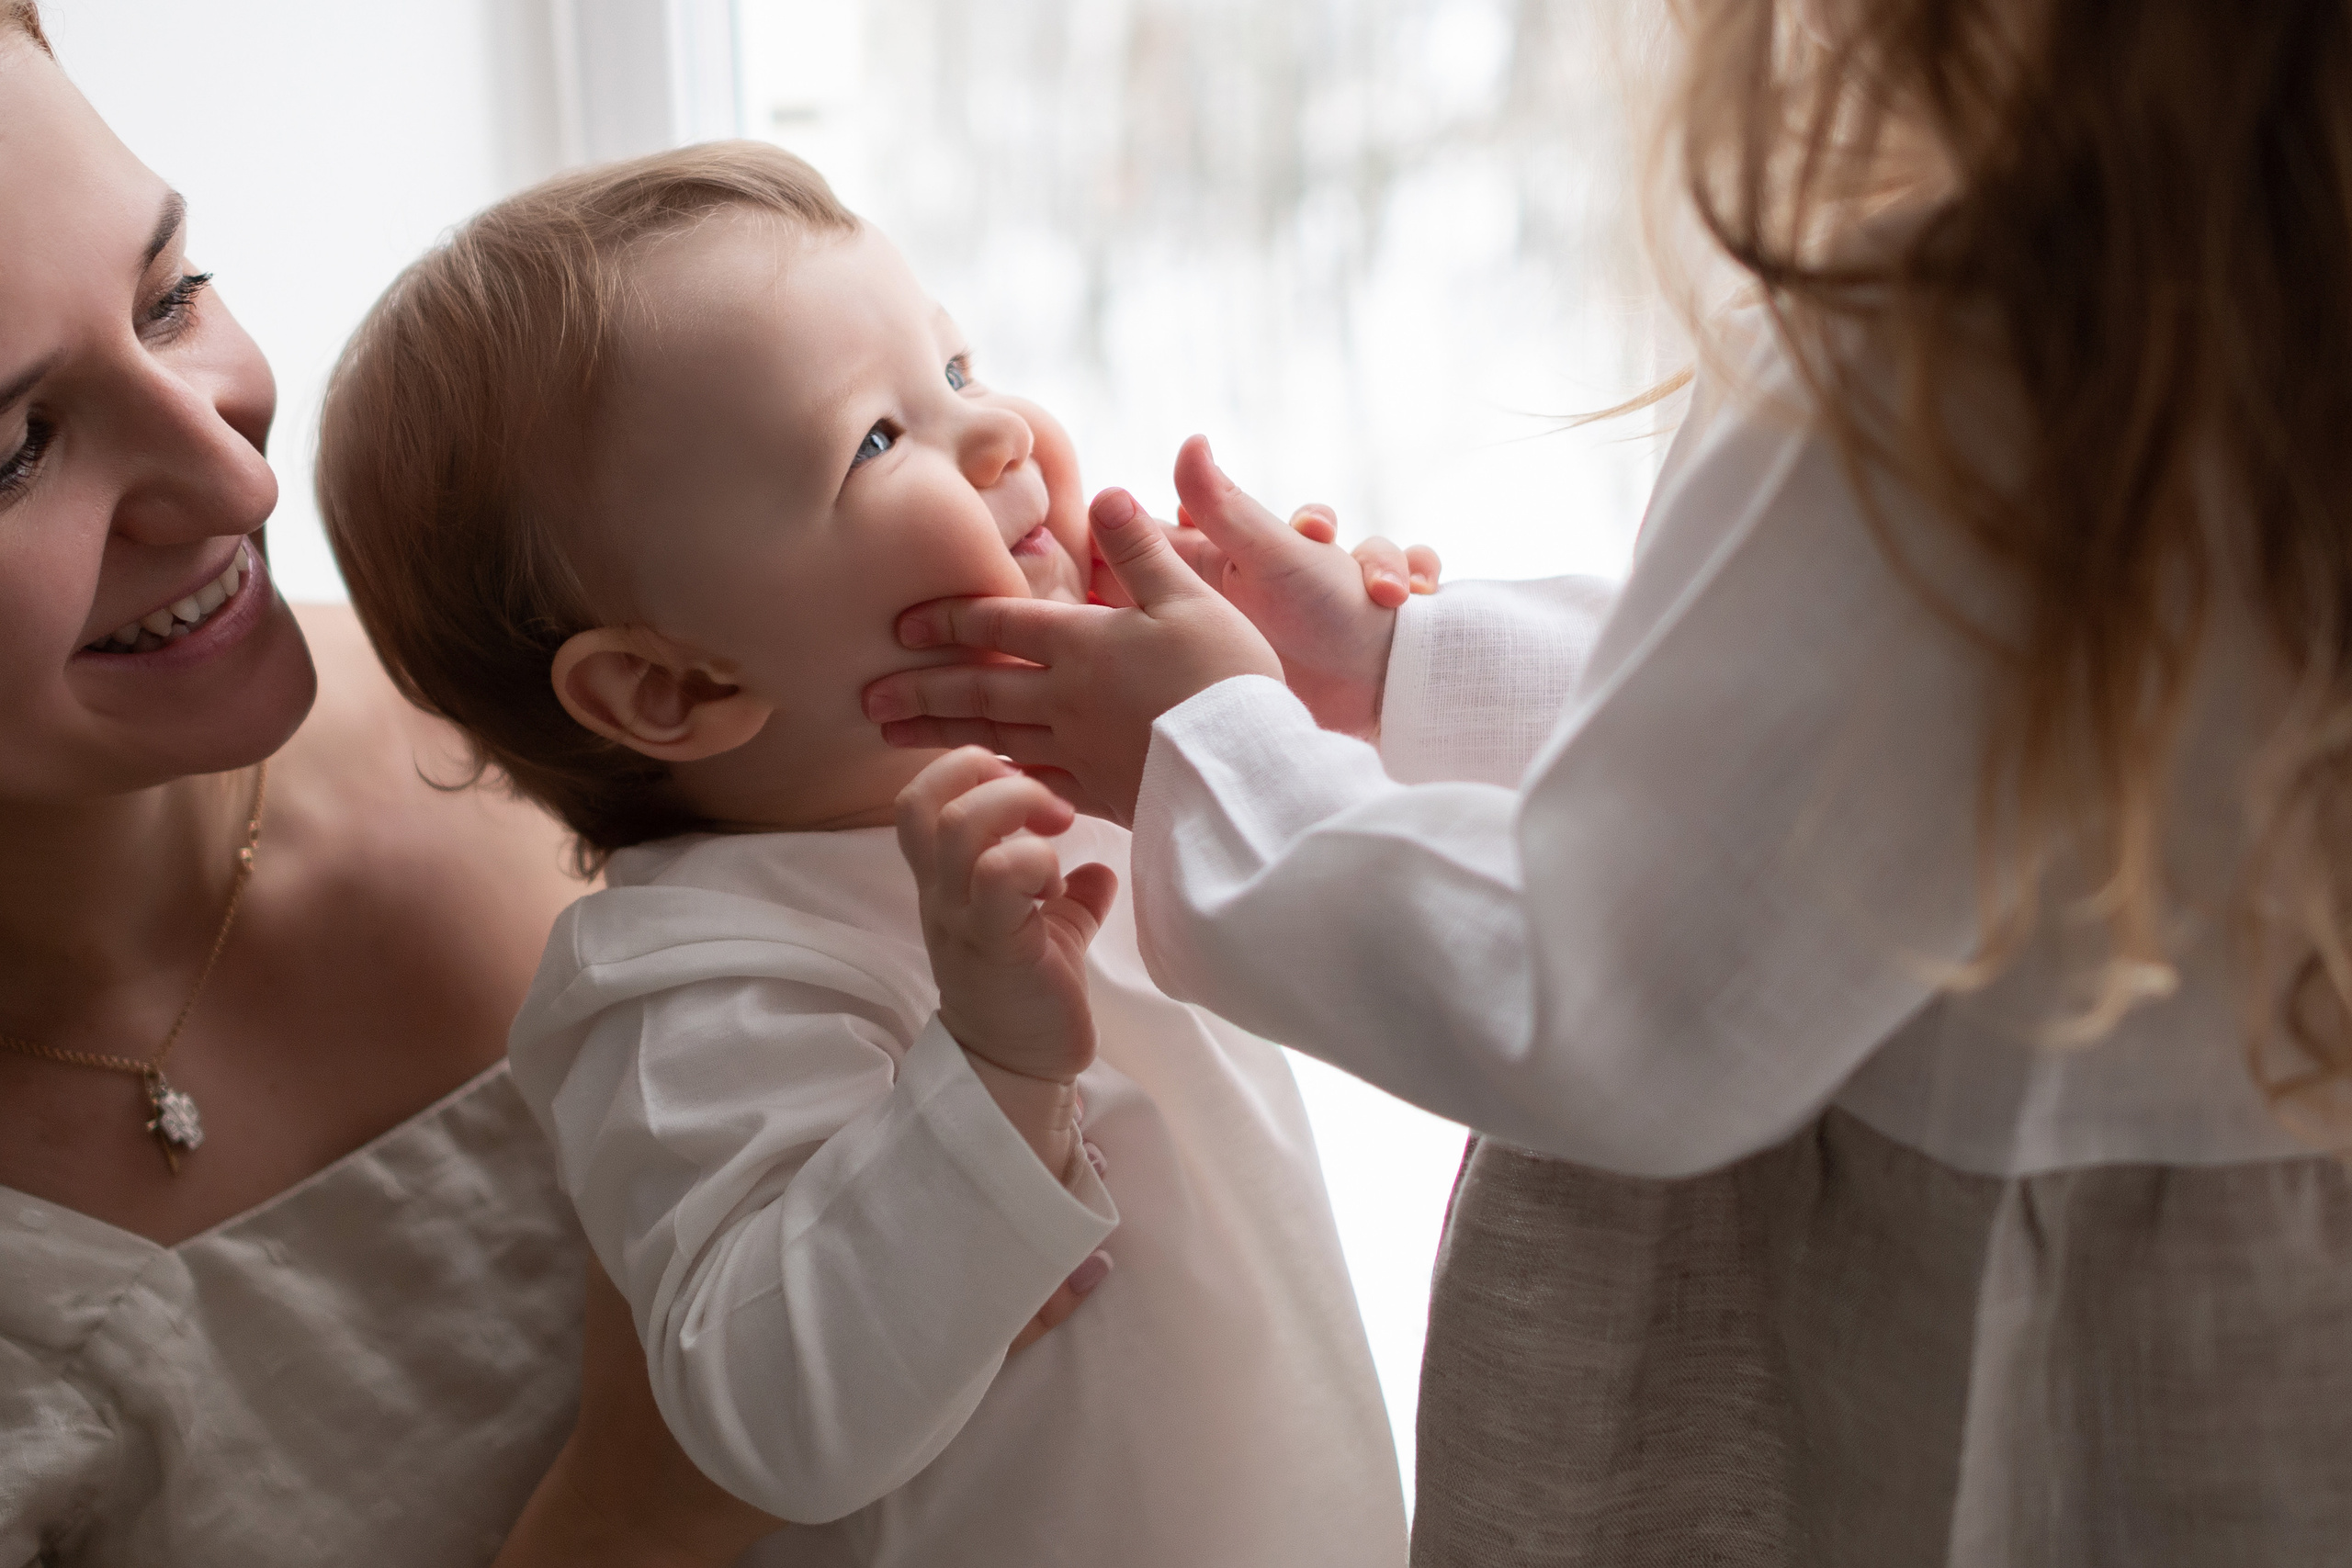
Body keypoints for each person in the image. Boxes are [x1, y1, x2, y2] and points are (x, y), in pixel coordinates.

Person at [859, 1, 2352, 1563]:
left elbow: (1606, 992)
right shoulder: (2259, 309)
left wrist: (1217, 754)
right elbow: (1881, 736)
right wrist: (1399, 669)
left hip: (1943, 1384)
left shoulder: (1962, 358)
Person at [313, 141, 1433, 1566]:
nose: (1001, 436)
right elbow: (775, 1426)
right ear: (677, 689)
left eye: (958, 370)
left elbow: (1408, 925)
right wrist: (991, 1073)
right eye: (879, 440)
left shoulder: (1086, 755)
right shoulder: (687, 983)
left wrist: (1331, 697)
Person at [0, 9, 864, 1563]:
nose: (240, 478)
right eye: (15, 448)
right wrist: (655, 1499)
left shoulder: (591, 706)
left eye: (171, 295)